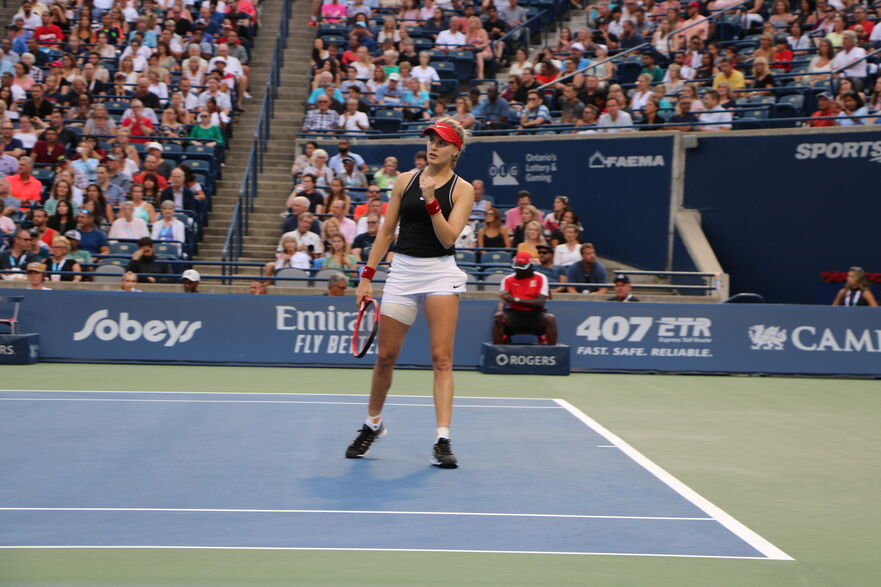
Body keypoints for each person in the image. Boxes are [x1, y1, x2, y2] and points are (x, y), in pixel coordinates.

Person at [346, 119, 474, 469]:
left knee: (441, 359)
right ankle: (372, 424)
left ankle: (442, 439)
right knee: (385, 356)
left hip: (440, 273)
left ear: (455, 151)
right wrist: (366, 276)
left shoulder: (462, 190)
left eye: (443, 143)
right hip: (402, 271)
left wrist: (432, 201)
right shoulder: (404, 180)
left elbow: (448, 238)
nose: (434, 146)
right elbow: (387, 231)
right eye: (431, 140)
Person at [492, 251, 557, 345]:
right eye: (517, 268)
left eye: (521, 268)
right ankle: (497, 351)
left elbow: (540, 302)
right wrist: (500, 310)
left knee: (550, 318)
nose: (518, 270)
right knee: (498, 317)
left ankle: (553, 353)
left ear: (530, 266)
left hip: (535, 314)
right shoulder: (507, 279)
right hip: (514, 313)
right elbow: (503, 298)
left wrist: (515, 300)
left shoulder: (541, 278)